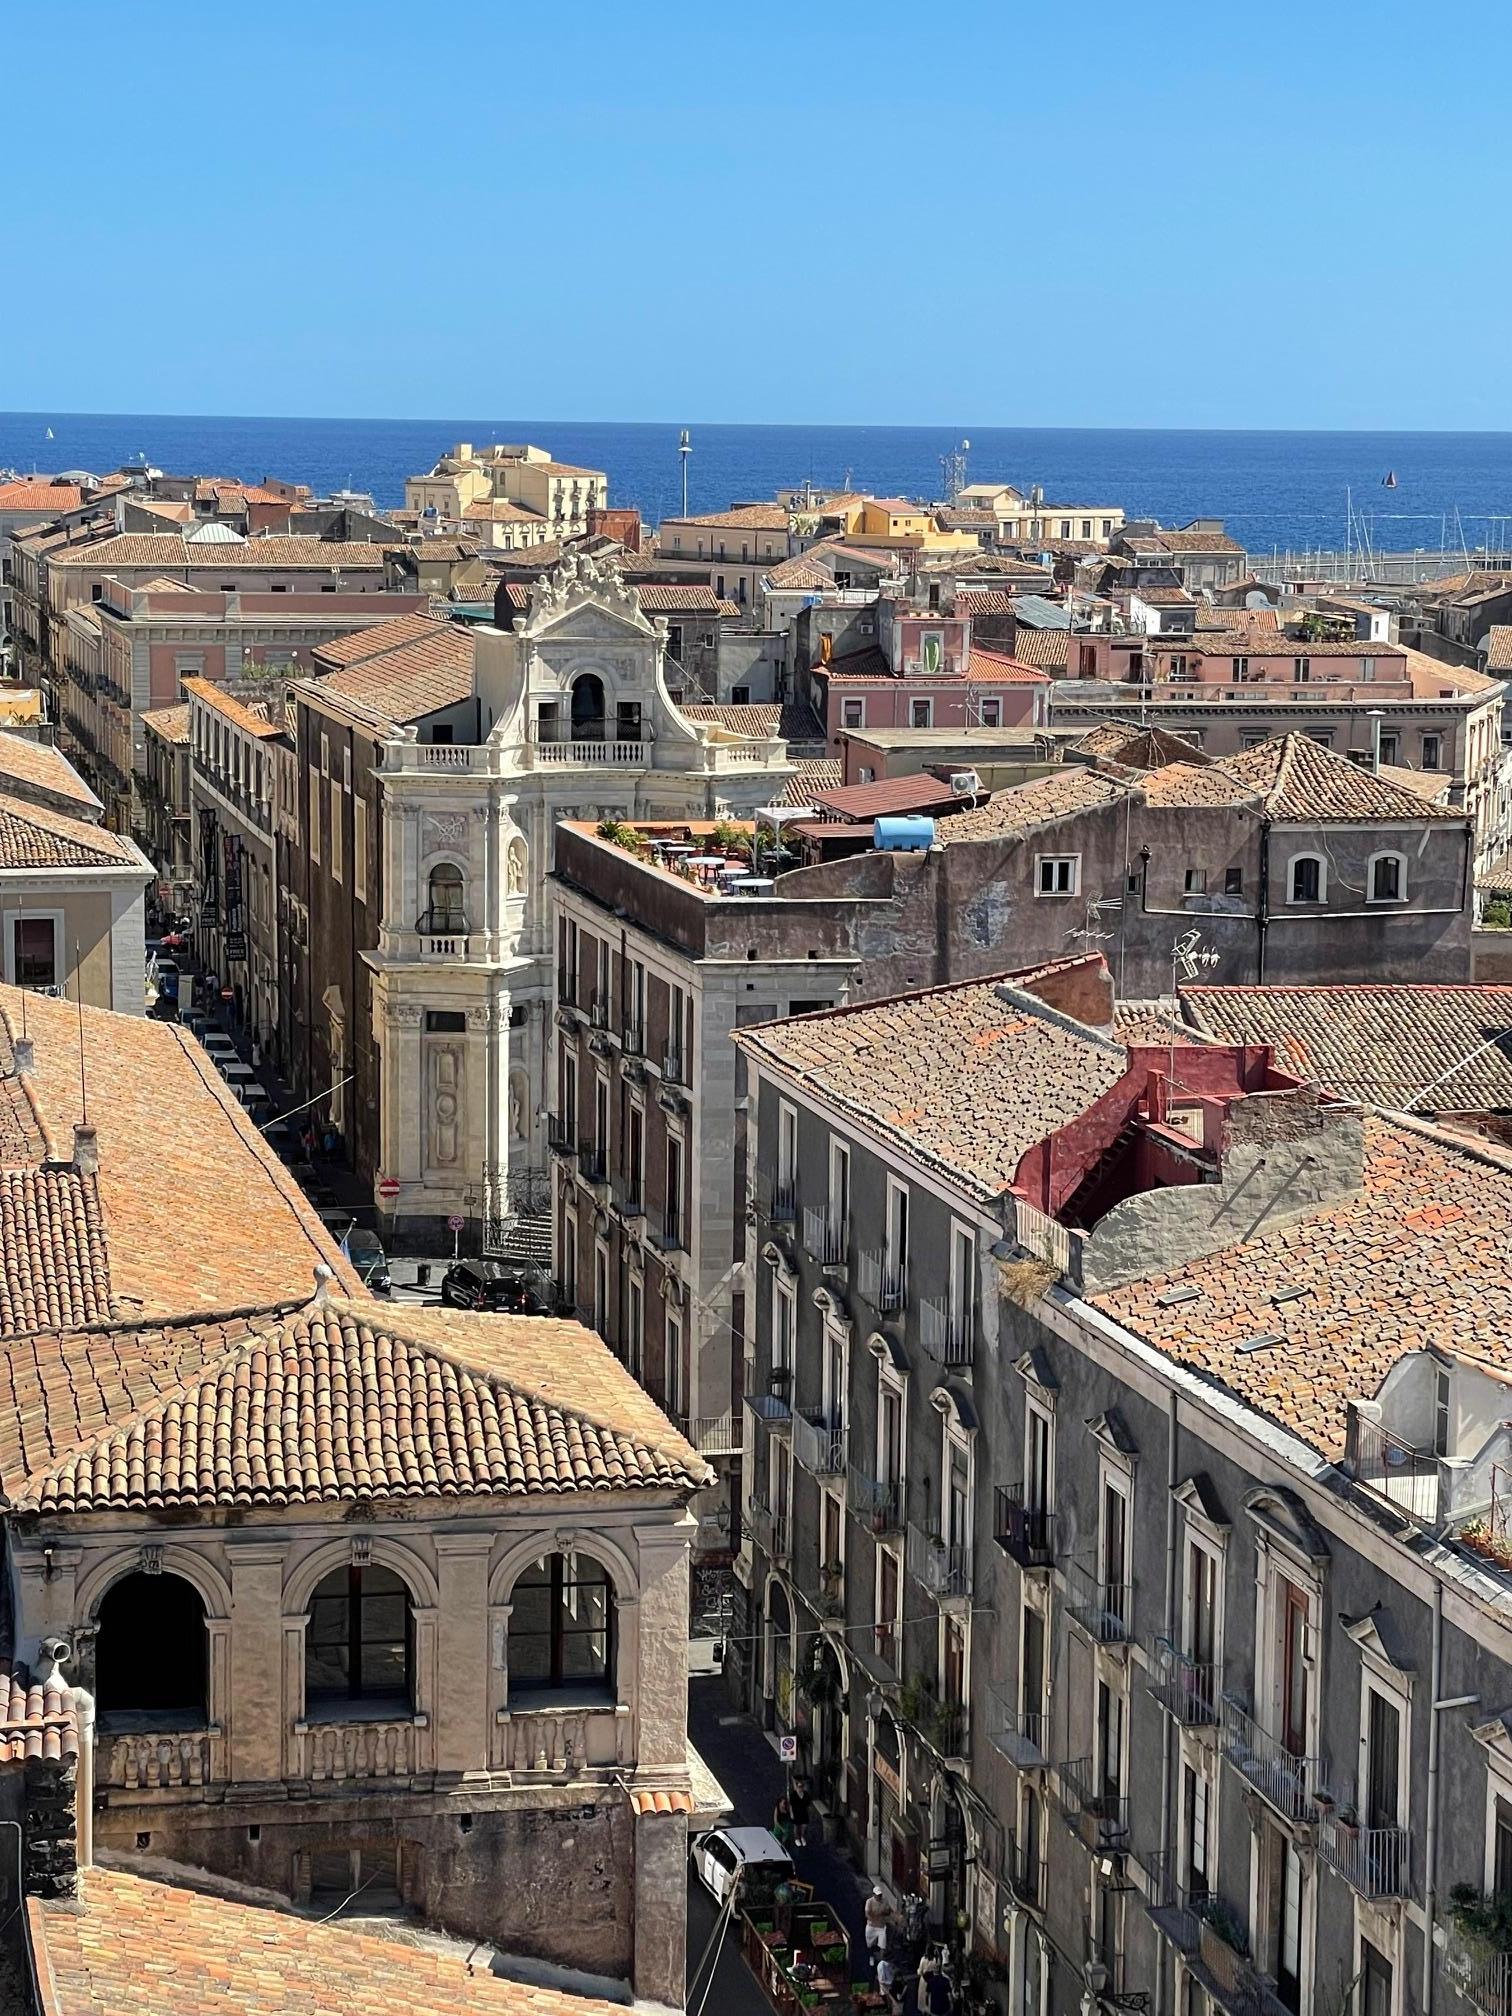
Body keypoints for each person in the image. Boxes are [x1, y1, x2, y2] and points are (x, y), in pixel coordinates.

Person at [865, 1885, 894, 1960]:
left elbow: (888, 1911)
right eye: (877, 1895)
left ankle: (881, 1959)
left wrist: (884, 1913)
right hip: (871, 1926)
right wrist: (874, 1918)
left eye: (880, 1895)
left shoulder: (885, 1901)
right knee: (870, 1944)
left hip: (881, 1927)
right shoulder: (869, 1901)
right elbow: (867, 1914)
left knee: (882, 1944)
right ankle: (871, 1956)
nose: (879, 1896)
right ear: (874, 1894)